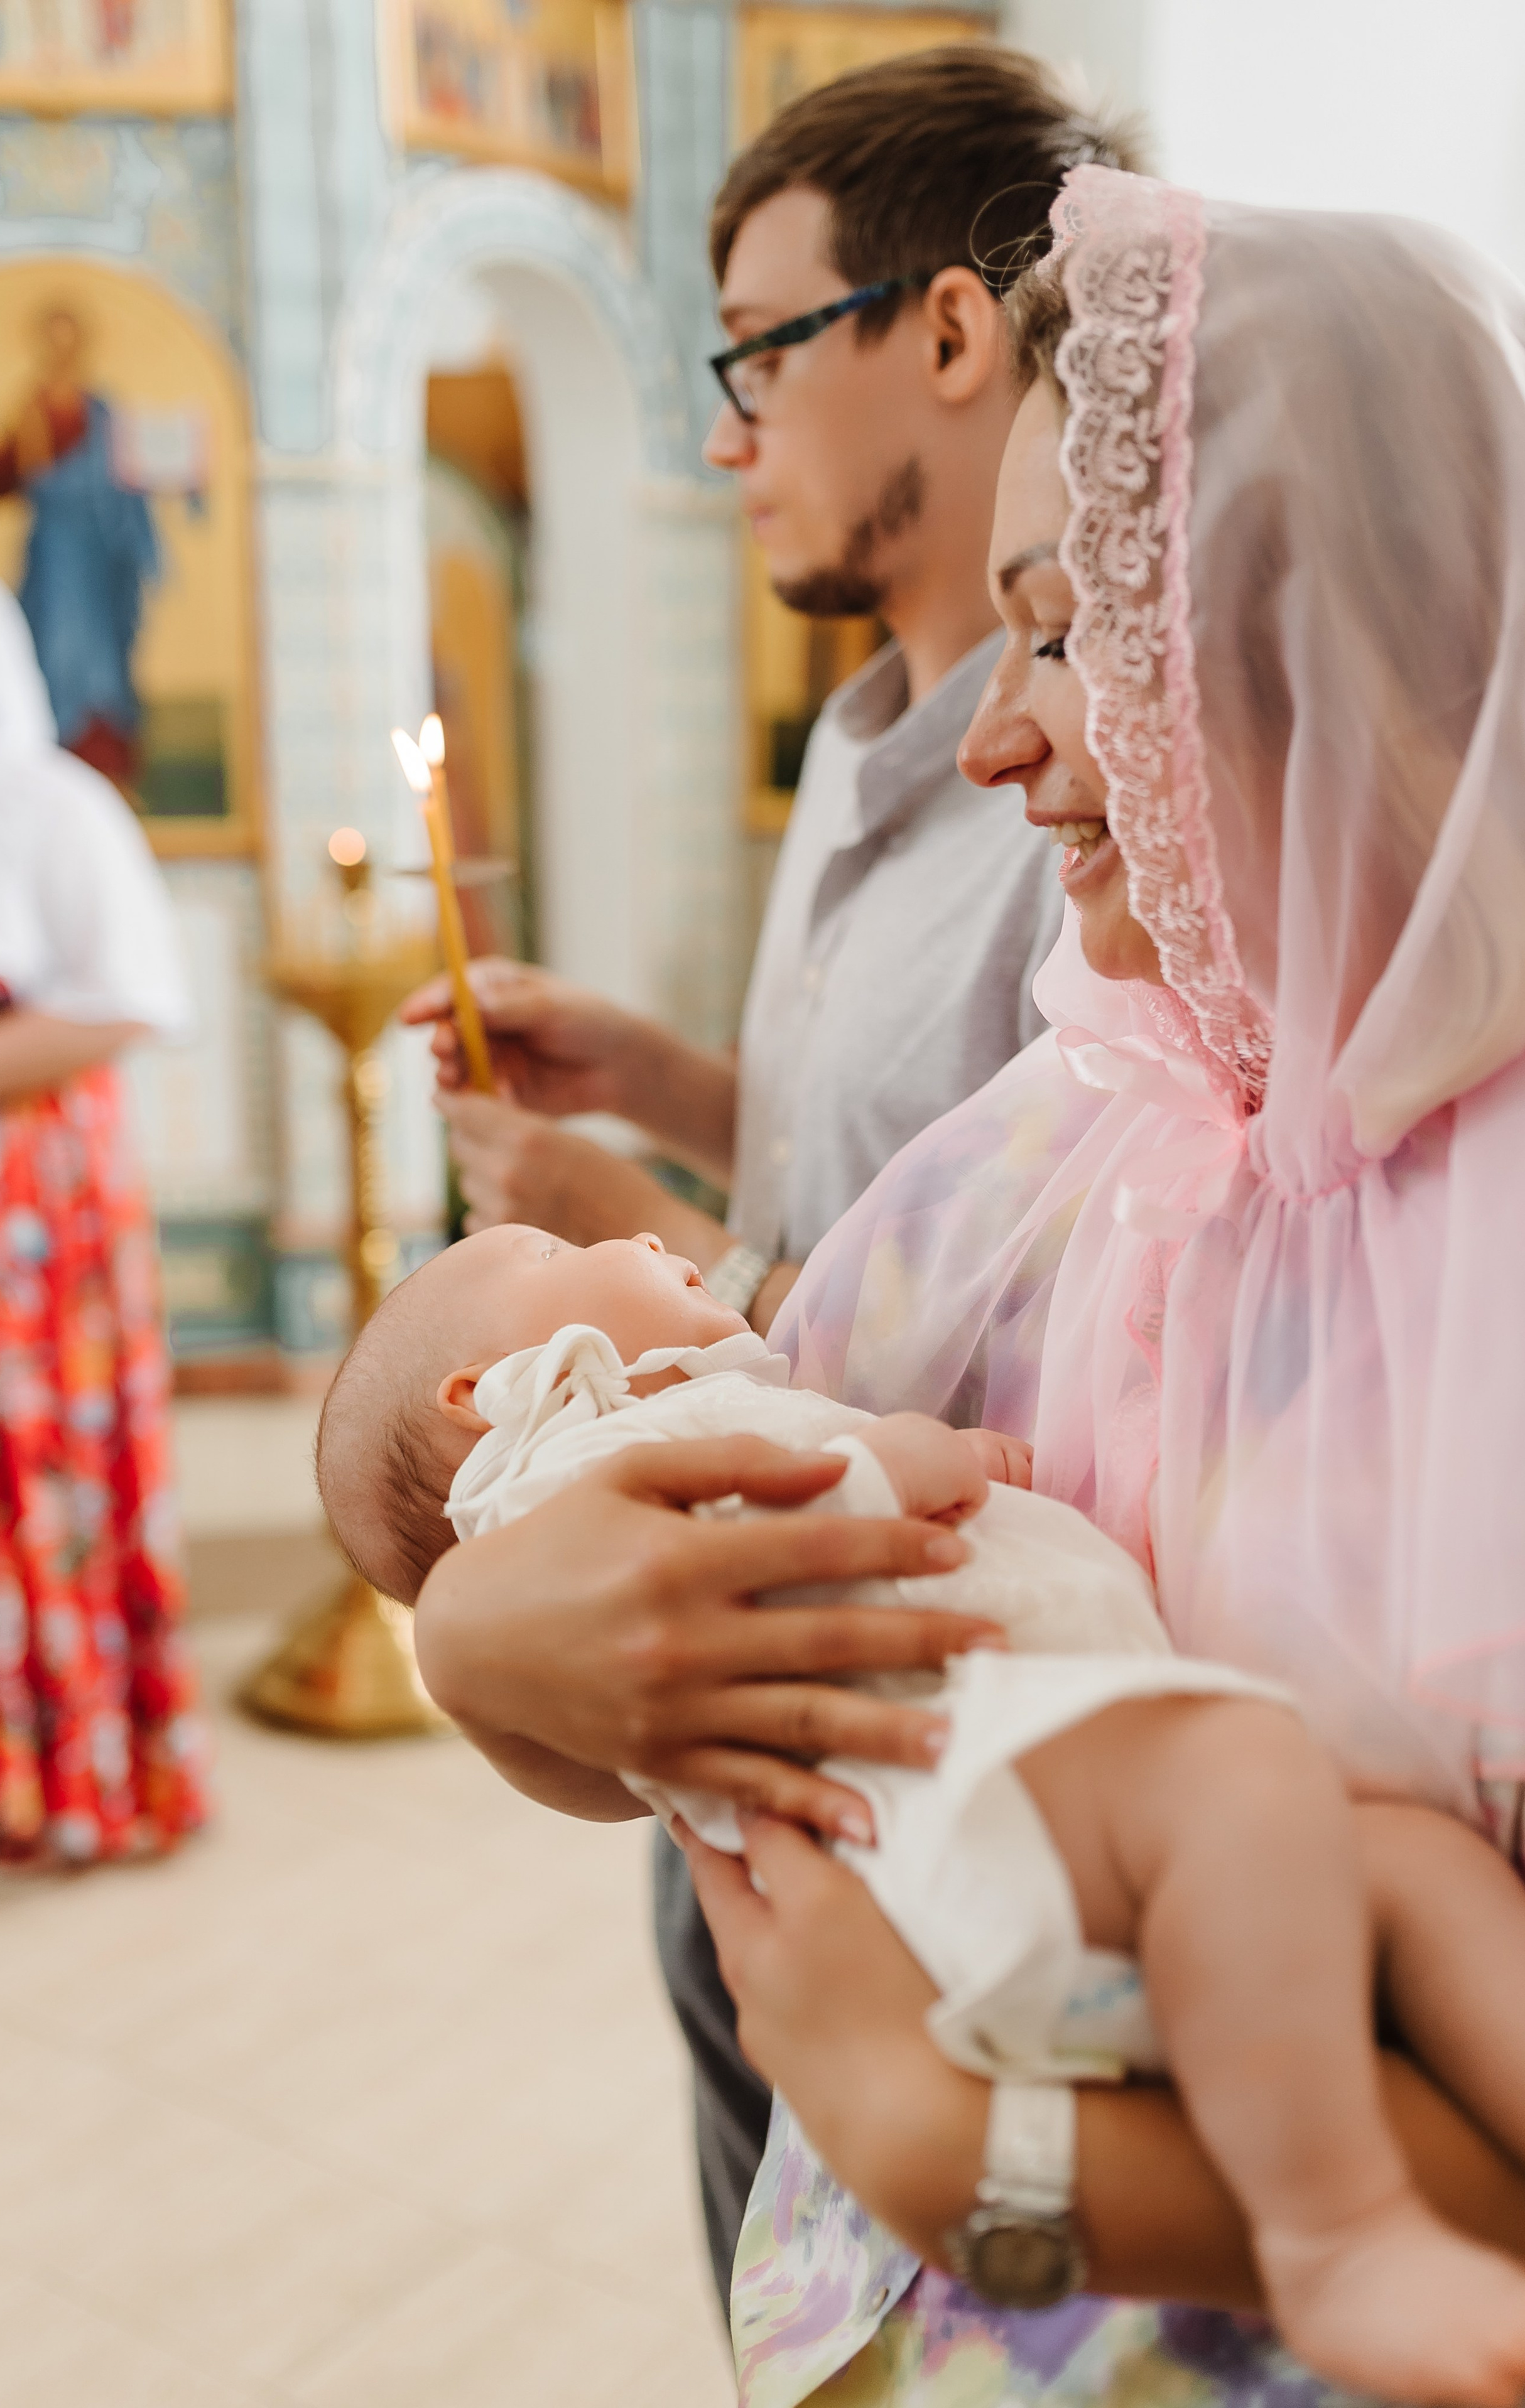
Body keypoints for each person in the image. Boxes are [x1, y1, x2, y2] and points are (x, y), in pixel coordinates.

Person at [410, 167, 1525, 2404]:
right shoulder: (1059, 1135)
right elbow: (690, 1623)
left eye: (1060, 625)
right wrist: (485, 1639)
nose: (994, 740)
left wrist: (953, 2140)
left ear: (1288, 609)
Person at [404, 44, 1135, 2295]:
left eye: (750, 350)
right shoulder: (845, 741)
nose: (721, 433)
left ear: (939, 328)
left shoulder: (1093, 796)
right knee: (763, 2234)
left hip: (933, 1696)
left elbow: (1036, 1294)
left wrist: (637, 1242)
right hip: (734, 1674)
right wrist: (676, 1084)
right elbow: (904, 1146)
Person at [332, 1223, 1525, 2397]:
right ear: (491, 1391)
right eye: (549, 1254)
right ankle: (1342, 2236)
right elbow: (753, 1550)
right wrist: (900, 1462)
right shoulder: (577, 1465)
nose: (635, 1230)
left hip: (1048, 1811)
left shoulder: (693, 1425)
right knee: (1247, 1775)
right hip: (975, 1816)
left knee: (1405, 1866)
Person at [0, 540, 206, 1870]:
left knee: (34, 1459)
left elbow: (124, 994)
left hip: (24, 1193)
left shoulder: (53, 802)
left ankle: (70, 1772)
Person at [0, 304, 160, 787]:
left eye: (68, 339)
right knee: (56, 651)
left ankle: (107, 769)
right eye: (52, 339)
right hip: (54, 558)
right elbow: (3, 473)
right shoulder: (32, 408)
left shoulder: (102, 410)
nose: (61, 350)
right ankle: (55, 767)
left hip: (101, 559)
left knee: (104, 660)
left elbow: (135, 473)